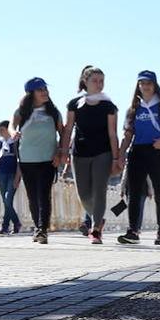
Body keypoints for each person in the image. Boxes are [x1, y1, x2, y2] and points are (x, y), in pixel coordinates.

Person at [117, 70, 160, 245]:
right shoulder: (133, 109)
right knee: (134, 192)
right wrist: (121, 153)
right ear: (138, 86)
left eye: (149, 83)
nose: (145, 86)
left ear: (154, 86)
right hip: (138, 151)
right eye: (142, 83)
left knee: (159, 192)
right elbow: (128, 133)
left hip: (158, 152)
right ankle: (133, 231)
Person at [60, 65, 120, 244]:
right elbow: (68, 129)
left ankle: (95, 230)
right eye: (95, 80)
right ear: (85, 81)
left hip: (103, 153)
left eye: (102, 81)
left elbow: (112, 133)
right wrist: (63, 151)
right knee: (84, 194)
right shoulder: (75, 104)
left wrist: (116, 158)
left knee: (99, 190)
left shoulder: (109, 106)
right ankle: (99, 218)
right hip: (80, 153)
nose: (99, 84)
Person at [10, 78, 64, 244]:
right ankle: (37, 227)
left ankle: (42, 229)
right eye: (40, 89)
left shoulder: (54, 112)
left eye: (45, 88)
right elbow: (12, 126)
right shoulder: (21, 112)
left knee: (44, 195)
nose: (44, 92)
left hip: (47, 159)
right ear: (31, 93)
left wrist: (59, 153)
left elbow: (63, 135)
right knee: (32, 196)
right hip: (27, 159)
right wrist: (13, 133)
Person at [0, 120, 22, 234]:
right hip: (1, 173)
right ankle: (7, 226)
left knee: (8, 200)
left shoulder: (16, 142)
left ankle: (13, 223)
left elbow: (19, 160)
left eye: (2, 130)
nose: (0, 132)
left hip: (12, 173)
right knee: (5, 200)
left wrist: (18, 177)